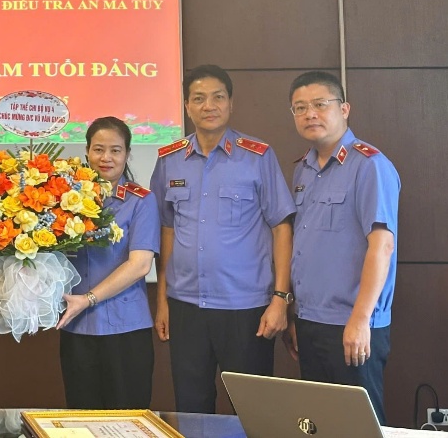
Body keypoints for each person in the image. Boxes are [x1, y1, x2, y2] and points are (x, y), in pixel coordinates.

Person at [149, 64, 296, 413]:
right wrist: (163, 300)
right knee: (191, 406)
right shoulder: (170, 160)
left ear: (231, 103)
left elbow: (281, 227)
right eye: (199, 98)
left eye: (217, 97)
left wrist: (280, 299)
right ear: (187, 106)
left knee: (254, 411)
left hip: (245, 307)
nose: (209, 106)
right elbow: (167, 230)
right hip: (186, 306)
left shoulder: (257, 156)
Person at [283, 71, 399, 424]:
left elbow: (382, 246)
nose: (310, 114)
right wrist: (295, 314)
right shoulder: (302, 170)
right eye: (300, 107)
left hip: (352, 323)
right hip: (310, 321)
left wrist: (361, 319)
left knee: (357, 426)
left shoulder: (370, 165)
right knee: (318, 424)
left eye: (320, 104)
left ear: (344, 109)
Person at [56, 116, 160, 409]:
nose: (106, 158)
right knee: (82, 417)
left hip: (125, 328)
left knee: (128, 419)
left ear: (127, 154)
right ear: (87, 151)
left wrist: (87, 299)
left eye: (115, 150)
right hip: (77, 327)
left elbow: (140, 265)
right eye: (98, 149)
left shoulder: (141, 201)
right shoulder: (66, 199)